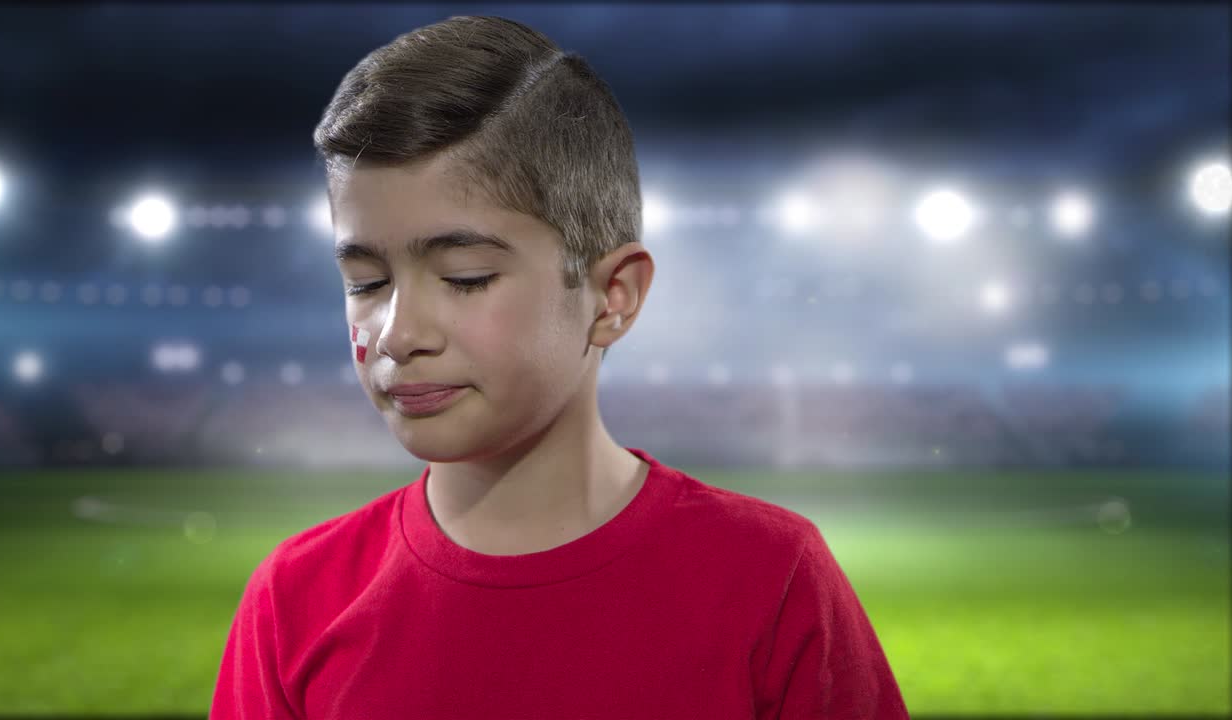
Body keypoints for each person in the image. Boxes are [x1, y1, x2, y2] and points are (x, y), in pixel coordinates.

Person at [210, 15, 908, 719]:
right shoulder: (293, 602)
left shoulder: (772, 579)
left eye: (466, 278)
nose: (398, 334)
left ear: (613, 296)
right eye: (366, 282)